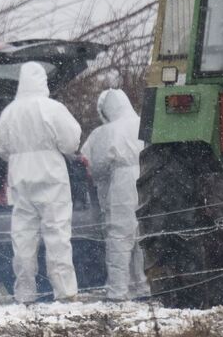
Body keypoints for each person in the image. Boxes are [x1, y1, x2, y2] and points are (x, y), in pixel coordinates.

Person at [0, 62, 82, 303]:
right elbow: (71, 142)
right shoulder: (52, 108)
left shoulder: (9, 112)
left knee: (22, 239)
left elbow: (2, 149)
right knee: (57, 236)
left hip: (20, 181)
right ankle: (65, 293)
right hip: (52, 179)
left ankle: (25, 293)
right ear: (43, 80)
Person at [80, 89, 150, 301]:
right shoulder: (145, 124)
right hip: (148, 178)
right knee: (142, 236)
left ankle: (118, 290)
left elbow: (93, 166)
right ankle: (143, 286)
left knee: (119, 235)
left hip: (122, 183)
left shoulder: (105, 132)